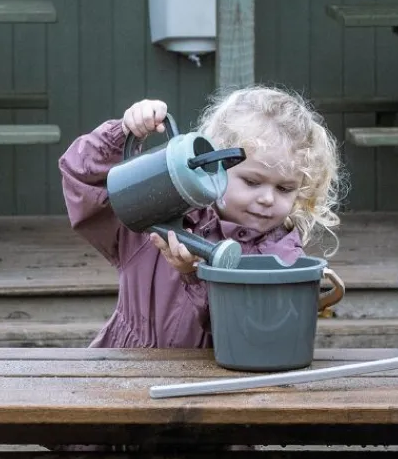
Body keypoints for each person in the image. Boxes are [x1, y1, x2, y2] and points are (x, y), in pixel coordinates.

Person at [59, 86, 344, 350]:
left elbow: (256, 335)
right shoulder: (157, 214)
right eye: (252, 182)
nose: (267, 198)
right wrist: (122, 132)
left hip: (211, 381)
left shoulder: (282, 259)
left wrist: (193, 275)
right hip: (124, 366)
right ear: (215, 164)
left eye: (284, 189)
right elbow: (83, 182)